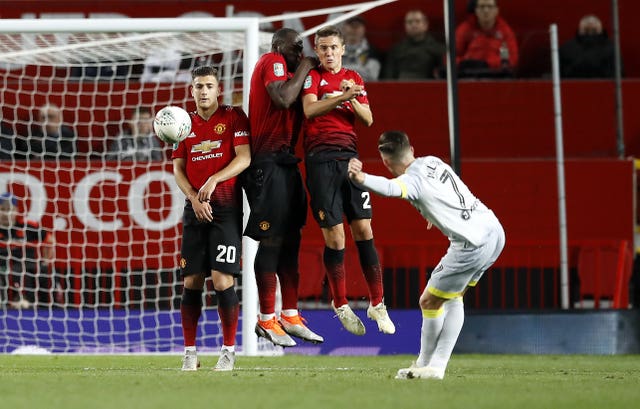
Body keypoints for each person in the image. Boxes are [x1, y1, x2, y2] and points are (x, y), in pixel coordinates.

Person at [347, 130, 505, 380]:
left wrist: (360, 176)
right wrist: (433, 213)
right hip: (494, 230)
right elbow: (447, 192)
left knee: (429, 302)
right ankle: (428, 365)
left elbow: (389, 188)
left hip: (470, 244)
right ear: (411, 148)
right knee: (453, 298)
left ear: (387, 162)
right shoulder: (433, 161)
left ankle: (432, 365)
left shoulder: (412, 182)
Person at [301, 25, 395, 336]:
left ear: (343, 50)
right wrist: (340, 96)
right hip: (320, 160)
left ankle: (377, 303)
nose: (328, 53)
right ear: (317, 51)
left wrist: (352, 98)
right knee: (336, 237)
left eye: (333, 48)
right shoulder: (314, 77)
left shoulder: (354, 79)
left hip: (349, 157)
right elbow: (310, 109)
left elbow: (368, 120)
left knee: (364, 228)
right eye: (323, 48)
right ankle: (340, 303)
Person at [244, 28, 324, 348]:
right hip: (266, 164)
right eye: (296, 48)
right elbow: (282, 98)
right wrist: (306, 65)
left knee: (292, 241)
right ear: (280, 46)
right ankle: (266, 319)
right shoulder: (272, 60)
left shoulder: (291, 71)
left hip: (286, 163)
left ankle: (289, 314)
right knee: (272, 240)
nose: (299, 53)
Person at [171, 65, 251, 372]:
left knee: (221, 279)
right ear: (191, 91)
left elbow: (244, 158)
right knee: (191, 280)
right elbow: (178, 168)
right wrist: (193, 197)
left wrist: (214, 180)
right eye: (198, 86)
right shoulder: (183, 123)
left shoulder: (233, 117)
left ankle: (228, 350)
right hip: (195, 209)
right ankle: (190, 352)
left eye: (208, 85)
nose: (203, 91)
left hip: (226, 209)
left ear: (218, 89)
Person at [0, 192, 55, 308]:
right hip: (4, 266)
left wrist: (45, 261)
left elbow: (50, 239)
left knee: (39, 271)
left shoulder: (27, 226)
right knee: (15, 269)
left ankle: (38, 303)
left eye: (9, 209)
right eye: (2, 209)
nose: (6, 213)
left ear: (16, 210)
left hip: (29, 265)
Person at [455, 0, 518, 78]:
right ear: (476, 10)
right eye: (482, 7)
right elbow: (451, 57)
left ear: (496, 10)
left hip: (496, 76)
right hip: (468, 76)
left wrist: (488, 64)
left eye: (490, 6)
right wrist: (463, 63)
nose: (486, 10)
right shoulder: (465, 29)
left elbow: (511, 59)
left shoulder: (505, 31)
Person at [381, 10, 445, 80]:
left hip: (427, 88)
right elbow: (388, 76)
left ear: (425, 25)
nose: (413, 25)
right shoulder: (396, 49)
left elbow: (442, 76)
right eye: (409, 22)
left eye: (417, 21)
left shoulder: (437, 49)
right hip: (400, 88)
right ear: (405, 26)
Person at [559, 14, 617, 79]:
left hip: (574, 87)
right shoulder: (611, 47)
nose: (590, 23)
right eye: (587, 30)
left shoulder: (567, 47)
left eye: (593, 30)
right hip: (603, 87)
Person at [341, 16, 382, 82]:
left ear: (364, 29)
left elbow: (372, 77)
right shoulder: (333, 51)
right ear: (343, 28)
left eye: (357, 26)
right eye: (351, 26)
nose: (354, 29)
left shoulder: (372, 52)